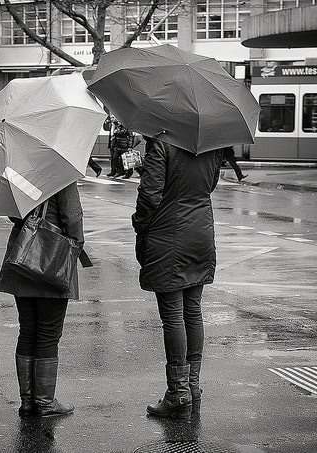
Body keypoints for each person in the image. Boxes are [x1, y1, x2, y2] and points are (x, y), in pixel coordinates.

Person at [132, 136, 221, 418]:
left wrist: (140, 223)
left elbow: (150, 195)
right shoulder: (212, 142)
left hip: (168, 235)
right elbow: (210, 184)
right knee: (192, 311)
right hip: (200, 231)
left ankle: (177, 393)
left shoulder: (162, 143)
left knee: (172, 315)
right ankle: (192, 387)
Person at [0, 182, 84, 417]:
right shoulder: (61, 172)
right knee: (48, 333)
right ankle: (45, 402)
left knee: (27, 330)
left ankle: (27, 401)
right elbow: (72, 217)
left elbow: (12, 214)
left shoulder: (17, 171)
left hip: (22, 251)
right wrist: (77, 243)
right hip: (51, 255)